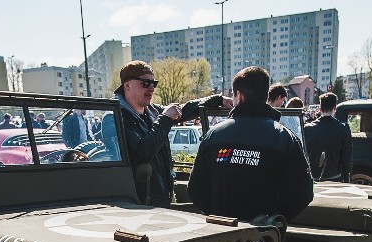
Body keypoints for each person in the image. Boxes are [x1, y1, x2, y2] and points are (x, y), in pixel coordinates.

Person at [188, 65, 313, 222]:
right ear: (265, 95)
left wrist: (217, 214)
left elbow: (196, 190)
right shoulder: (285, 139)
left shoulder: (213, 137)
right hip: (265, 239)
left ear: (239, 96)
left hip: (220, 236)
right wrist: (272, 219)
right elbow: (302, 194)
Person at [113, 60, 229, 207]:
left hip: (159, 195)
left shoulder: (152, 112)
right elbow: (141, 152)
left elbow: (183, 110)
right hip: (135, 202)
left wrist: (216, 99)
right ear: (127, 85)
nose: (151, 88)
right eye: (145, 83)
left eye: (153, 83)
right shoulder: (115, 116)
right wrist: (166, 118)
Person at [304, 92, 352, 182]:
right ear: (335, 108)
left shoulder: (307, 128)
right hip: (334, 178)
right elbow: (346, 158)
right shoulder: (343, 128)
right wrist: (346, 180)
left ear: (320, 108)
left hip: (312, 179)